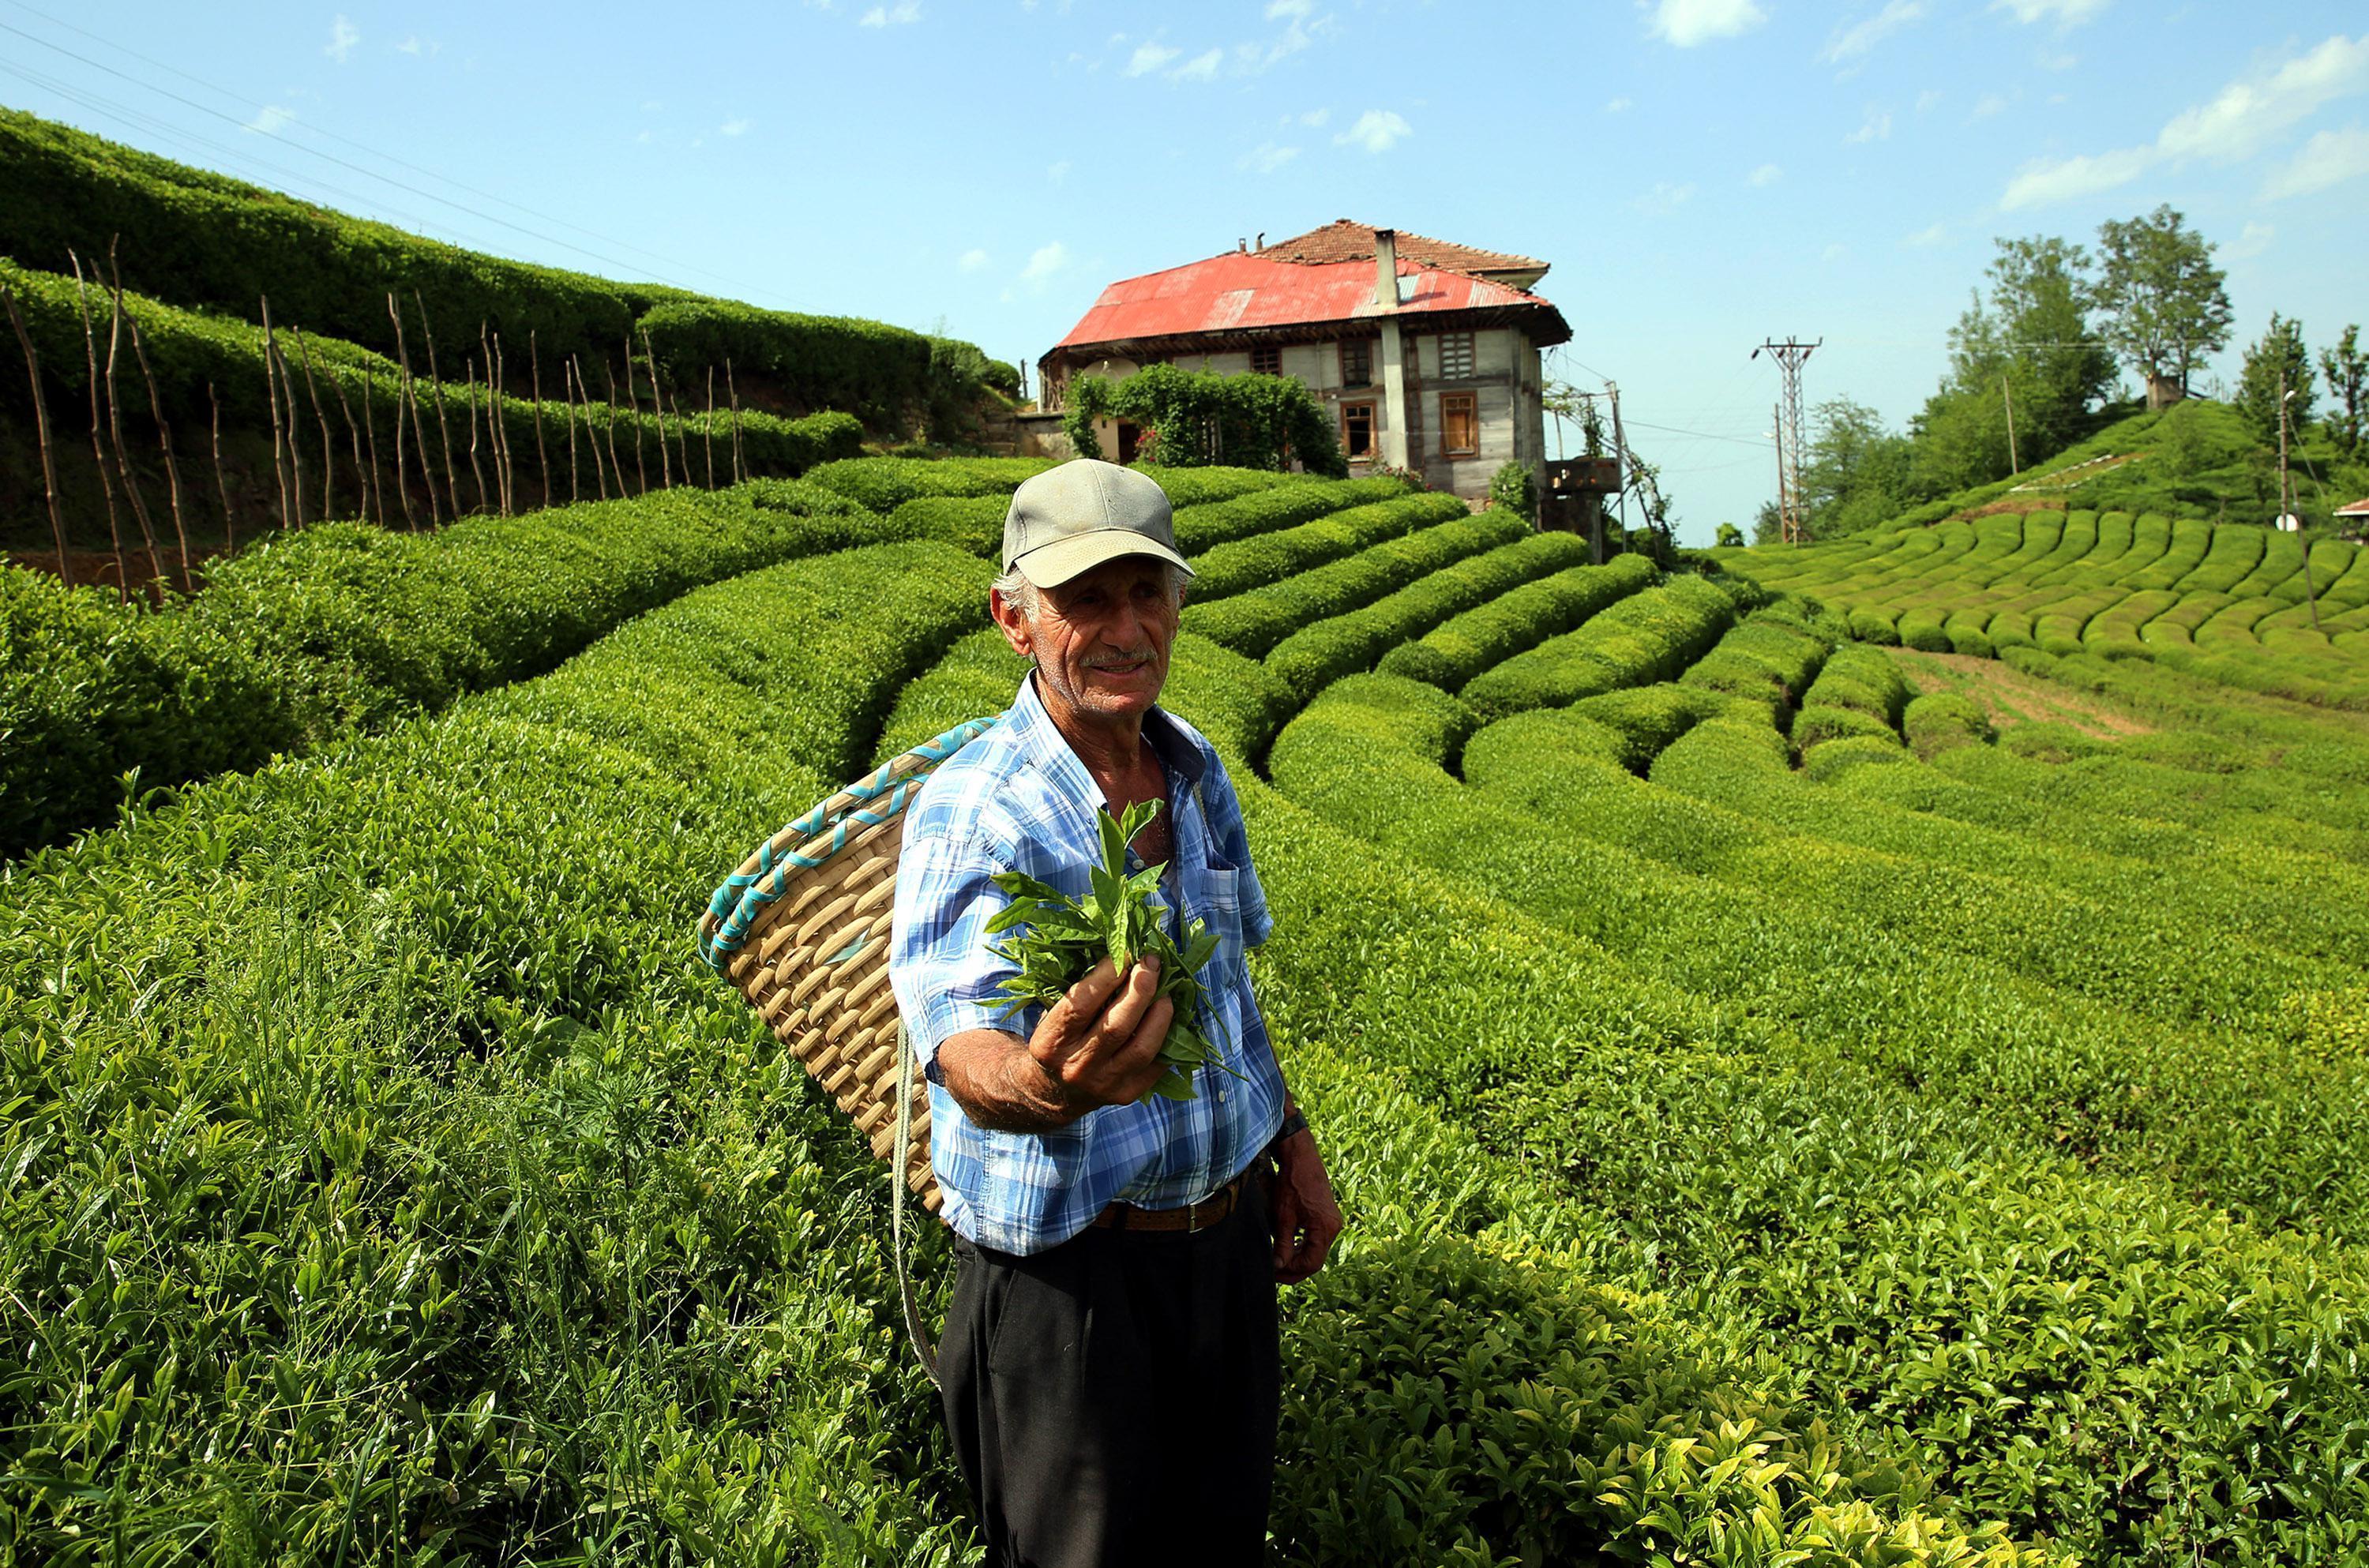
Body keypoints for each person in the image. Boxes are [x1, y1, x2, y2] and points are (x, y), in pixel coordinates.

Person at [888, 457, 1344, 1567]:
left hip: (1221, 1251)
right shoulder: (977, 808)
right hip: (1071, 1289)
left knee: (1219, 1541)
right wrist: (1049, 1085)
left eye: (1148, 592)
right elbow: (960, 1042)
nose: (1126, 626)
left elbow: (1229, 985)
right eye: (1085, 598)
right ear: (1015, 618)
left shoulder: (1192, 770)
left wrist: (1289, 1135)